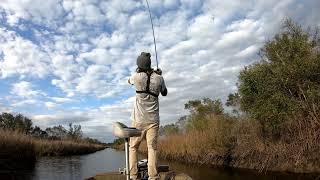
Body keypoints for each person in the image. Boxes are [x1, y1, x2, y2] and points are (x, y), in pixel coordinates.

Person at [128, 52, 167, 180]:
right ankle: (153, 177)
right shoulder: (159, 78)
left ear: (139, 64)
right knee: (152, 148)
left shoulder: (136, 77)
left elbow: (129, 81)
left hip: (138, 120)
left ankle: (133, 176)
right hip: (153, 121)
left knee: (133, 147)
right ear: (150, 64)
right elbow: (164, 93)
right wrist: (159, 75)